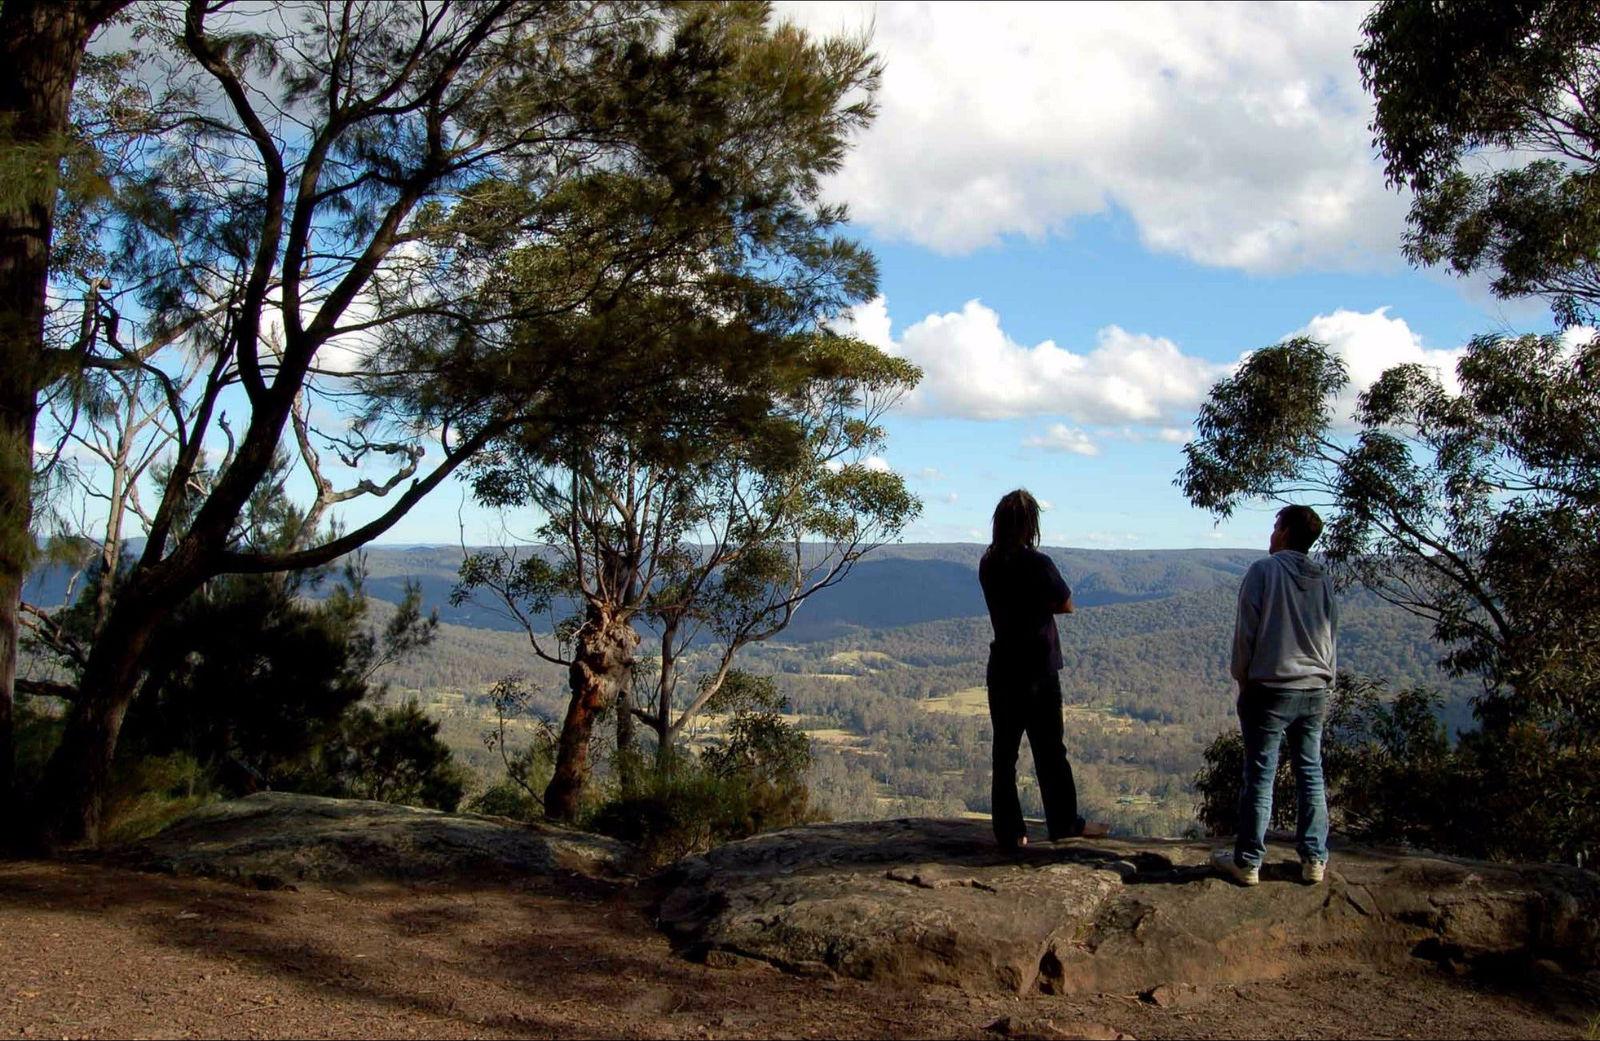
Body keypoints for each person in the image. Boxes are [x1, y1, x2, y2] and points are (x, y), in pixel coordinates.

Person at [1211, 505, 1338, 886]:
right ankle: (1314, 859)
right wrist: (1326, 678)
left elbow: (1245, 631)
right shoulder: (1322, 576)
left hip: (1270, 687)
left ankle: (1248, 863)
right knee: (1311, 773)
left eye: (1274, 527)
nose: (1271, 534)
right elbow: (1331, 634)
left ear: (1283, 532)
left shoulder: (1263, 571)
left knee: (1260, 776)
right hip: (1315, 686)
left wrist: (1242, 678)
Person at [978, 489, 1098, 849]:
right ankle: (1062, 823)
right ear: (1030, 525)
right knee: (1050, 751)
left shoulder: (988, 563)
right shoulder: (1038, 563)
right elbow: (1067, 604)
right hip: (1038, 671)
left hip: (1002, 667)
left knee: (1005, 753)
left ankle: (1010, 832)